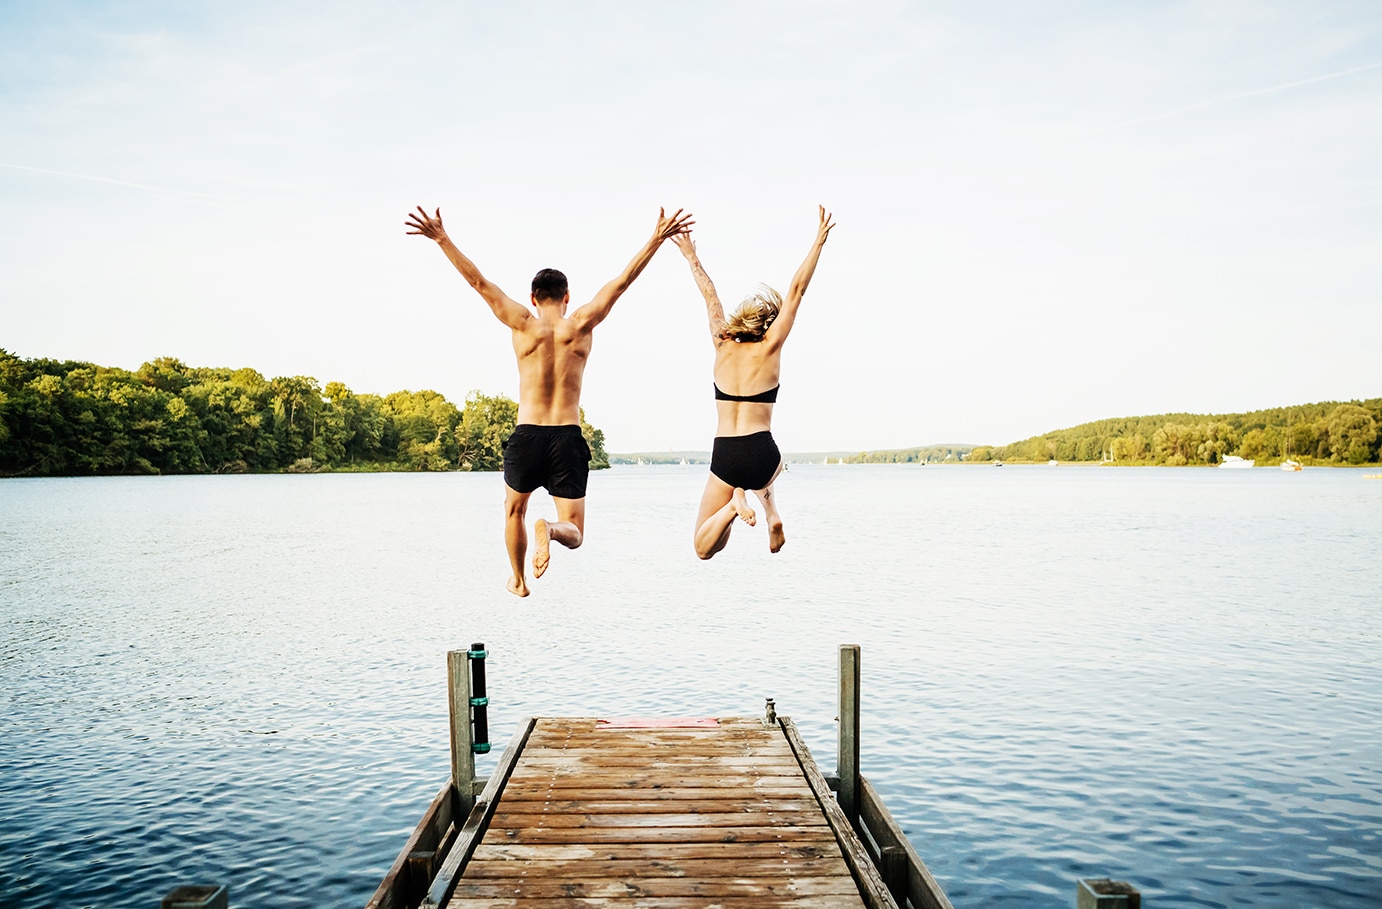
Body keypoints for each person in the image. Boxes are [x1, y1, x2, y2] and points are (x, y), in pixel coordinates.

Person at [406, 205, 694, 596]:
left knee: (514, 511)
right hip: (566, 437)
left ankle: (520, 580)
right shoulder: (581, 323)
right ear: (567, 296)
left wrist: (442, 239)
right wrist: (656, 239)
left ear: (533, 297)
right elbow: (622, 282)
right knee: (575, 532)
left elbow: (478, 282)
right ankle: (551, 530)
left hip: (527, 436)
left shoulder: (521, 322)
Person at [672, 206, 834, 560]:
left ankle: (733, 507)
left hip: (726, 453)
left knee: (704, 546)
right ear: (766, 326)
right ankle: (771, 511)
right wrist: (818, 242)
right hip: (764, 452)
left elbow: (709, 294)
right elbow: (796, 291)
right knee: (772, 466)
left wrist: (690, 255)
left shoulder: (721, 343)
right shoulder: (771, 347)